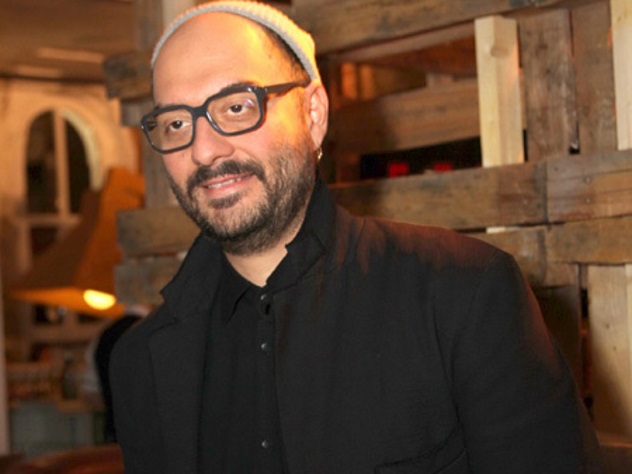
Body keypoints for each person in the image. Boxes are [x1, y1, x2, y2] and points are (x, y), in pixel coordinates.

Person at [110, 1, 604, 473]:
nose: (204, 150)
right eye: (176, 123)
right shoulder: (141, 361)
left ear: (313, 115)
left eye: (237, 106)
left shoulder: (464, 294)